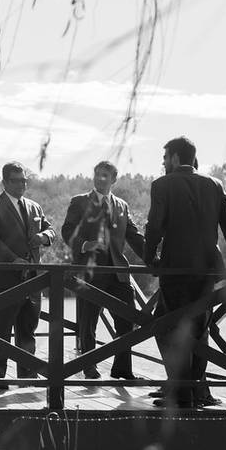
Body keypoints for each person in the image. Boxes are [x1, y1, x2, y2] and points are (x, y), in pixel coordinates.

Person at [144, 137, 226, 408]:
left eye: (166, 157)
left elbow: (154, 226)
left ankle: (181, 396)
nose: (164, 163)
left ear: (176, 158)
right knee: (199, 329)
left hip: (176, 269)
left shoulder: (162, 184)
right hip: (208, 271)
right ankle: (196, 393)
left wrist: (149, 258)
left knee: (165, 326)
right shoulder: (214, 184)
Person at [61, 161, 145, 379]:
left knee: (127, 321)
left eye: (105, 175)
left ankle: (123, 370)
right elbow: (67, 230)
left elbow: (134, 237)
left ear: (114, 179)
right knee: (88, 322)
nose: (100, 178)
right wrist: (84, 244)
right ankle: (89, 368)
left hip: (118, 272)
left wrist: (154, 259)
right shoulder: (79, 202)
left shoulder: (122, 206)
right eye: (97, 174)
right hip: (90, 271)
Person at [0, 162, 56, 389]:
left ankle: (28, 376)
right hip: (4, 277)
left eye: (25, 180)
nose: (22, 184)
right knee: (0, 329)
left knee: (28, 329)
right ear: (4, 182)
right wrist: (12, 260)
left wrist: (44, 236)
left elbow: (51, 229)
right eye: (17, 180)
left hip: (33, 278)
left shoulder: (34, 206)